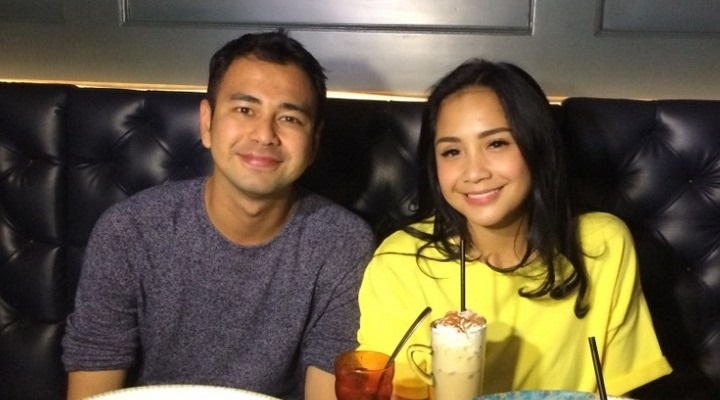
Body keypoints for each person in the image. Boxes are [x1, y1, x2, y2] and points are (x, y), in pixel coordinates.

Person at [62, 30, 376, 400]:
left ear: (314, 143)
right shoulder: (129, 232)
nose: (265, 135)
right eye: (245, 110)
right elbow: (92, 386)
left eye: (290, 118)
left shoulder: (342, 244)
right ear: (207, 122)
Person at [356, 59, 672, 399]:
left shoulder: (601, 244)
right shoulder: (401, 262)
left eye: (496, 144)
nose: (474, 172)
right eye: (452, 151)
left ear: (537, 145)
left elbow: (622, 389)